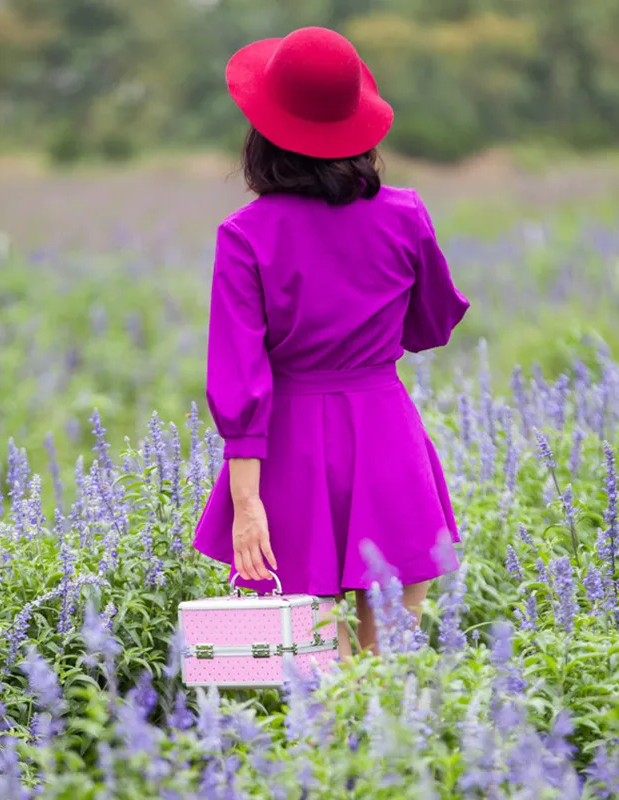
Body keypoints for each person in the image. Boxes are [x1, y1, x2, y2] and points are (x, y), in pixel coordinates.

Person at [192, 26, 469, 658]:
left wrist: (246, 505)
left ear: (262, 133)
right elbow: (430, 326)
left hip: (288, 458)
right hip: (386, 441)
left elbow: (238, 378)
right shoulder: (406, 214)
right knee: (385, 676)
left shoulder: (245, 234)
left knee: (312, 673)